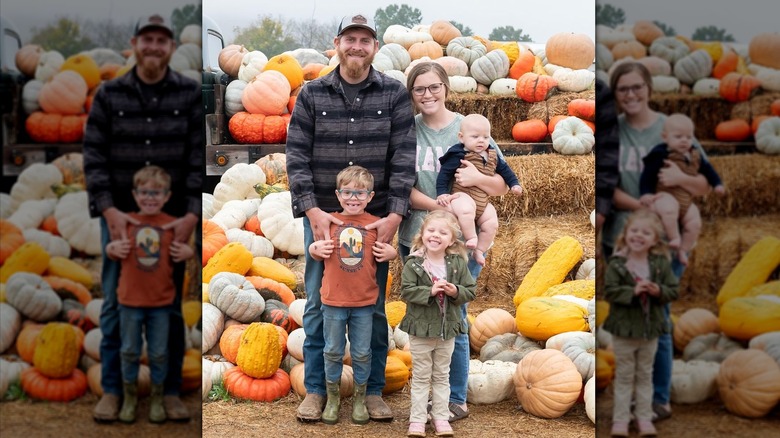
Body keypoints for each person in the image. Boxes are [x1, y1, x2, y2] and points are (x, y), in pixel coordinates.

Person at [285, 12, 416, 423]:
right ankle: (317, 392)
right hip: (324, 218)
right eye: (350, 38)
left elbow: (404, 160)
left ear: (374, 47)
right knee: (317, 302)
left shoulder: (394, 94)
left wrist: (394, 217)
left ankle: (372, 390)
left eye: (365, 40)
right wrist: (313, 211)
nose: (357, 46)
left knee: (372, 305)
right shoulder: (311, 94)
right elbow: (296, 157)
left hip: (372, 222)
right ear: (337, 44)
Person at [83, 13, 202, 423]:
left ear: (170, 47)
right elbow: (94, 157)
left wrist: (190, 215)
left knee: (169, 306)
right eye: (147, 39)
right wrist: (109, 210)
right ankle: (115, 390)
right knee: (117, 302)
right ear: (134, 44)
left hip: (171, 222)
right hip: (122, 219)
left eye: (161, 40)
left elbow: (195, 160)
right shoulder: (109, 94)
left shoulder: (188, 94)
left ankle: (168, 393)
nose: (154, 46)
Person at [398, 61, 509, 423]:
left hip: (462, 242)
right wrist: (437, 208)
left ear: (446, 87)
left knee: (455, 317)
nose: (427, 95)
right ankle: (425, 397)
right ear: (411, 94)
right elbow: (399, 187)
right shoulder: (406, 131)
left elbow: (502, 185)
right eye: (419, 89)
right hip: (418, 237)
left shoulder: (470, 129)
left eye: (433, 87)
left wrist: (477, 176)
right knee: (424, 318)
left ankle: (454, 398)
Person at [603, 61, 711, 422]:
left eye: (637, 87)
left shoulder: (673, 129)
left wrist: (681, 176)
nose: (630, 94)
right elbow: (607, 186)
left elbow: (703, 184)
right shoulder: (613, 131)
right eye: (623, 89)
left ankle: (658, 398)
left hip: (665, 242)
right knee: (628, 319)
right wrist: (640, 207)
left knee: (659, 319)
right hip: (623, 236)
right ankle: (632, 397)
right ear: (616, 95)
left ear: (648, 87)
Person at [308, 166, 398, 425]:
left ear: (370, 196)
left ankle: (360, 399)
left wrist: (392, 254)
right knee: (333, 351)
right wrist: (315, 247)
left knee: (361, 352)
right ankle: (333, 399)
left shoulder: (375, 225)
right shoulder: (329, 221)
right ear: (338, 195)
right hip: (333, 301)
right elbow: (315, 252)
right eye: (347, 192)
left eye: (360, 193)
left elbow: (385, 253)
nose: (353, 198)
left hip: (364, 303)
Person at [106, 166, 194, 423]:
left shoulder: (171, 225)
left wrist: (188, 254)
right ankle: (130, 398)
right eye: (144, 192)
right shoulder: (127, 223)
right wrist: (112, 248)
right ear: (135, 194)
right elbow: (112, 250)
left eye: (156, 193)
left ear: (167, 196)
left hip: (161, 303)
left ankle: (157, 398)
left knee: (158, 353)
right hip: (129, 302)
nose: (150, 197)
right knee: (130, 351)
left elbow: (184, 252)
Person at [399, 210, 476, 438]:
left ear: (451, 240)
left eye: (443, 232)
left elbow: (470, 290)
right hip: (422, 330)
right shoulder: (414, 264)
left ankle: (441, 417)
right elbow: (406, 292)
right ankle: (418, 419)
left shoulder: (457, 264)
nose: (435, 235)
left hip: (447, 330)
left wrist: (456, 291)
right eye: (431, 230)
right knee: (422, 376)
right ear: (422, 234)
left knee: (442, 375)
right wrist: (429, 291)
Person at [603, 209, 678, 437]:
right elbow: (611, 292)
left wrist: (659, 291)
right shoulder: (617, 264)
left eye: (645, 233)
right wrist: (632, 291)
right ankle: (621, 421)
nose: (638, 235)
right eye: (634, 230)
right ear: (626, 234)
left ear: (654, 239)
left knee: (645, 375)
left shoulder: (659, 265)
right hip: (625, 332)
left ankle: (644, 418)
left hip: (650, 331)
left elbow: (673, 290)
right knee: (625, 376)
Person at [435, 113, 522, 266]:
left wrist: (514, 183)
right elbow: (444, 174)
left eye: (485, 137)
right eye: (475, 137)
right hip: (464, 195)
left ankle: (479, 250)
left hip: (482, 201)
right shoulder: (459, 154)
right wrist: (442, 192)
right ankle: (471, 238)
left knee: (491, 223)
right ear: (462, 137)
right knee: (466, 211)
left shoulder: (492, 154)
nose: (481, 140)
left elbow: (506, 171)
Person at [639, 113, 725, 266]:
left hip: (685, 200)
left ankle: (683, 250)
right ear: (665, 137)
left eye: (688, 137)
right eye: (678, 137)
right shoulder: (660, 153)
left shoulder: (695, 155)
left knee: (695, 222)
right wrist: (646, 193)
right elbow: (648, 174)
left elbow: (708, 170)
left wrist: (717, 183)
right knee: (669, 209)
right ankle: (674, 238)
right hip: (666, 194)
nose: (685, 140)